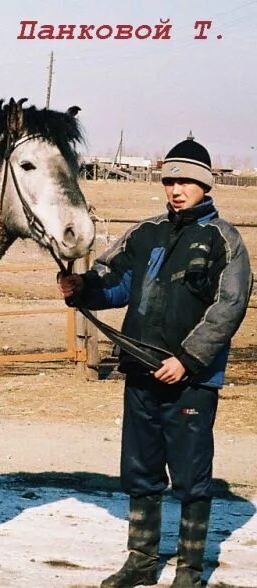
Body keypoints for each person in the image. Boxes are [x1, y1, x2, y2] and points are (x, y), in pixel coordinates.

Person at [58, 138, 252, 588]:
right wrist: (81, 288)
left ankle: (188, 570)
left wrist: (187, 360)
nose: (176, 189)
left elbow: (229, 306)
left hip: (191, 380)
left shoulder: (224, 240)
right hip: (141, 373)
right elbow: (114, 283)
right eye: (170, 180)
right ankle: (141, 561)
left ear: (205, 185)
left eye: (185, 181)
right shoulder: (145, 233)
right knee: (141, 471)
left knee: (190, 477)